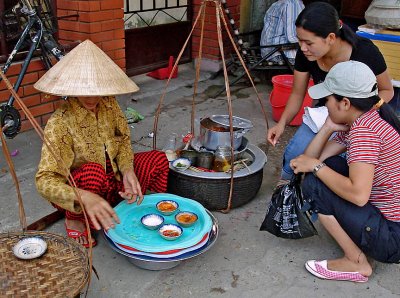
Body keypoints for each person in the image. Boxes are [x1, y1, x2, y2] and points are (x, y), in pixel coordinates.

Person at [34, 40, 169, 248]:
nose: (92, 98)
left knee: (158, 159)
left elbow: (123, 140)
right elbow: (44, 180)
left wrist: (127, 171)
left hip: (112, 181)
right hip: (84, 188)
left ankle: (137, 207)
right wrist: (83, 196)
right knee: (93, 172)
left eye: (96, 90)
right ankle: (76, 219)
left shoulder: (109, 104)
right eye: (85, 91)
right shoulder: (60, 122)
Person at [290, 61, 400, 282]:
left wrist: (315, 167)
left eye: (327, 100)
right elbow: (308, 160)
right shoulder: (368, 117)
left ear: (345, 103)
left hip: (391, 239)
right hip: (392, 225)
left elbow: (358, 196)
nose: (325, 105)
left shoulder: (364, 132)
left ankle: (356, 262)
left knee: (315, 182)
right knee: (319, 171)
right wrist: (328, 127)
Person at [267, 2, 394, 183]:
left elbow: (387, 90)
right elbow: (297, 94)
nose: (302, 48)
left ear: (331, 38)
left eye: (309, 42)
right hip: (326, 112)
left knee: (331, 163)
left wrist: (359, 115)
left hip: (357, 114)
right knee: (295, 156)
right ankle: (288, 194)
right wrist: (282, 123)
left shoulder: (365, 51)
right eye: (299, 41)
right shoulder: (306, 54)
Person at [259, 0, 304, 64]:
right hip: (282, 54)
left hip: (269, 52)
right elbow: (293, 37)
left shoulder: (279, 3)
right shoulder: (292, 3)